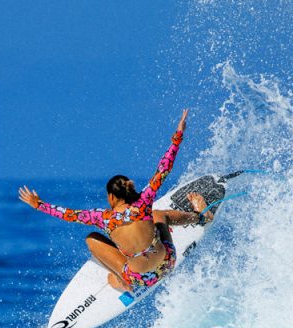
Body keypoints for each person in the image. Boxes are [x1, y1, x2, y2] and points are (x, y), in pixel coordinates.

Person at [18, 109, 214, 291]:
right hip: (167, 263)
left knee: (92, 239)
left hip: (141, 279)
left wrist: (39, 205)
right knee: (158, 214)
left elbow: (68, 215)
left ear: (111, 196)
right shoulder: (143, 203)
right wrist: (178, 134)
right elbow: (164, 168)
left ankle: (122, 282)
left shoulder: (102, 218)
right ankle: (201, 217)